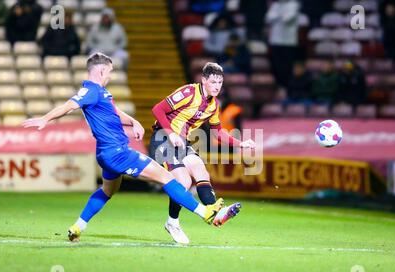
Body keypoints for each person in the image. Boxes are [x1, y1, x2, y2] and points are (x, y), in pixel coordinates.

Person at [22, 53, 241, 243]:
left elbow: (114, 112)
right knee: (168, 179)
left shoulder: (102, 94)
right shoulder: (92, 91)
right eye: (109, 72)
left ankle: (78, 226)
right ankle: (206, 213)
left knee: (108, 191)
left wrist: (133, 121)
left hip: (106, 154)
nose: (110, 75)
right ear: (100, 72)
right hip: (119, 153)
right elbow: (69, 106)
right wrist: (45, 118)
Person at [149, 62, 255, 244]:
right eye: (213, 82)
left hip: (182, 143)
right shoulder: (189, 92)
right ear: (204, 80)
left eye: (220, 82)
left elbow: (218, 132)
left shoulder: (213, 106)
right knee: (183, 181)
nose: (217, 86)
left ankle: (214, 211)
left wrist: (240, 144)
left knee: (201, 170)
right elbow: (158, 109)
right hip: (163, 139)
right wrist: (171, 133)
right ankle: (172, 223)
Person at [265, 0, 301, 88]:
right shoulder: (275, 5)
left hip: (289, 42)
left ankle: (287, 88)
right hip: (275, 41)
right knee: (276, 66)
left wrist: (276, 16)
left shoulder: (294, 4)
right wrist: (280, 15)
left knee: (287, 67)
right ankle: (279, 87)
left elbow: (287, 19)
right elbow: (268, 18)